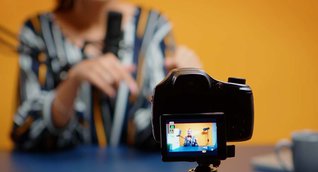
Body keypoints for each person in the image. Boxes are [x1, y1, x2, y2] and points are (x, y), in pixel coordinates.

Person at [10, 0, 202, 151]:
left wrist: (189, 95)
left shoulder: (153, 27)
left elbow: (167, 135)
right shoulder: (37, 30)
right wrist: (72, 81)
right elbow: (25, 132)